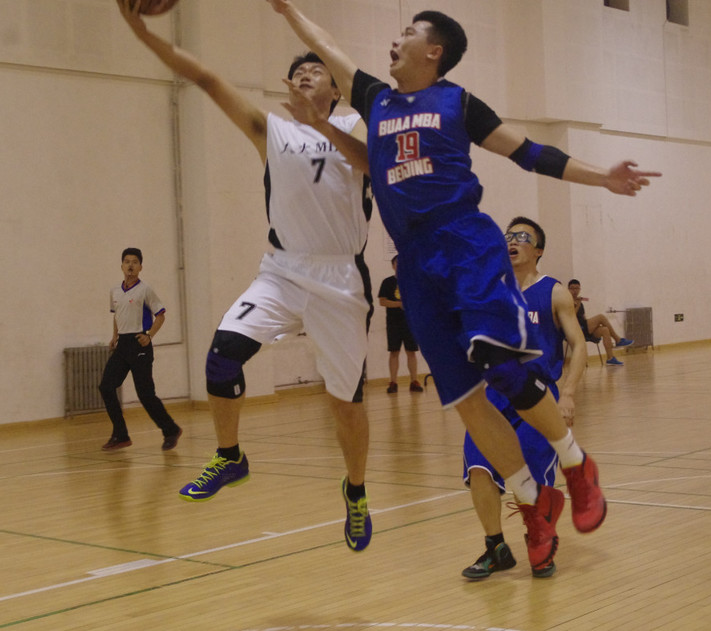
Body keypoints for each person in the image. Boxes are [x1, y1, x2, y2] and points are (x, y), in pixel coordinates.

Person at [268, 0, 660, 574]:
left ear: (434, 51)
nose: (395, 39)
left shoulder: (458, 103)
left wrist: (601, 176)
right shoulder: (376, 99)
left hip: (465, 243)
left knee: (502, 367)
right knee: (466, 401)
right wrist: (286, 10)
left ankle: (577, 465)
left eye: (408, 32)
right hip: (414, 263)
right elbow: (327, 46)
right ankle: (533, 504)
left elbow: (530, 153)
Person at [116, 0, 375, 551]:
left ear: (336, 87)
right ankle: (230, 457)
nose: (307, 75)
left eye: (318, 70)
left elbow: (373, 165)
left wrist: (321, 120)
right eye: (299, 71)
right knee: (222, 357)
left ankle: (355, 490)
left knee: (345, 404)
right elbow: (205, 77)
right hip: (282, 270)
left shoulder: (356, 124)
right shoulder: (271, 130)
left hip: (341, 280)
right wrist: (140, 33)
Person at [462, 217, 586, 579]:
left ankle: (540, 540)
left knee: (531, 479)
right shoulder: (492, 290)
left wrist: (569, 393)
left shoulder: (554, 292)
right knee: (479, 468)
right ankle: (495, 548)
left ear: (539, 250)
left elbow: (578, 344)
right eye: (508, 236)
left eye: (522, 236)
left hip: (538, 396)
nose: (512, 241)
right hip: (494, 396)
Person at [100, 247, 183, 451]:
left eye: (135, 262)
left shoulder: (145, 290)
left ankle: (170, 430)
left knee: (145, 394)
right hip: (123, 345)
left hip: (140, 344)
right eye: (127, 261)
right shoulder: (115, 291)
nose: (130, 265)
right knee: (106, 386)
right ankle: (121, 435)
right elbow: (117, 315)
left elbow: (161, 315)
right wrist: (114, 336)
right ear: (121, 266)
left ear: (140, 267)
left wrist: (149, 335)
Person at [378, 255, 423, 394]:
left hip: (410, 322)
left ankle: (414, 381)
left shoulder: (412, 281)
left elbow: (418, 299)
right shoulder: (387, 282)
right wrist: (398, 304)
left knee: (411, 352)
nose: (400, 265)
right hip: (393, 323)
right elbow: (382, 301)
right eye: (397, 263)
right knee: (394, 352)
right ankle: (393, 382)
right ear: (393, 266)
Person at [567, 279, 634, 366]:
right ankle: (618, 340)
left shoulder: (580, 303)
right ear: (568, 289)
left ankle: (610, 358)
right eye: (572, 288)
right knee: (601, 317)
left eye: (577, 288)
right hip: (575, 329)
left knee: (605, 330)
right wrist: (578, 304)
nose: (575, 291)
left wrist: (594, 325)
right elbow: (570, 317)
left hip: (584, 328)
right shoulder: (567, 302)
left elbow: (583, 318)